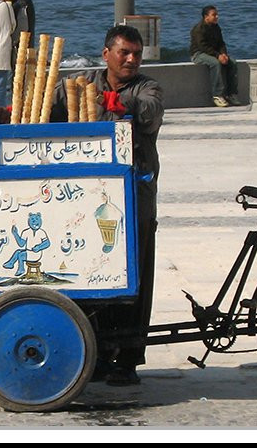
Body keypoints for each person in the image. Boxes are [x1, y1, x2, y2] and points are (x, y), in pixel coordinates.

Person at [49, 24, 164, 386]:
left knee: (134, 274)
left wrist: (120, 104)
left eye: (136, 54)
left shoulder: (146, 88)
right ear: (106, 54)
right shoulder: (83, 83)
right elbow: (49, 107)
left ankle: (128, 359)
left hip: (134, 193)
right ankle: (96, 354)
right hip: (88, 196)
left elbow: (150, 113)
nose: (131, 59)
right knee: (89, 270)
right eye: (124, 53)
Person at [189, 5, 241, 107]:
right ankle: (217, 95)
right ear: (206, 17)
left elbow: (221, 43)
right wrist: (218, 56)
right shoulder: (198, 29)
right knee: (215, 63)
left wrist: (224, 54)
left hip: (214, 53)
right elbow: (203, 46)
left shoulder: (216, 27)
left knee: (233, 63)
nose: (217, 17)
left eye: (217, 14)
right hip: (199, 54)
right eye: (214, 15)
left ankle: (231, 94)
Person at [0, 0, 36, 65]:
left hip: (21, 46)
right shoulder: (18, 1)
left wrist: (12, 43)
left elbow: (22, 27)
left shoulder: (22, 3)